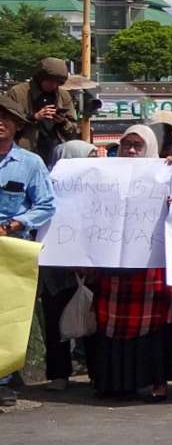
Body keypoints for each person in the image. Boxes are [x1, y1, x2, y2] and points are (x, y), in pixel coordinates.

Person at [91, 125, 172, 402]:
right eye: (126, 144)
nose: (130, 150)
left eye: (137, 145)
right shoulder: (106, 175)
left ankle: (156, 381)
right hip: (115, 265)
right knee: (112, 323)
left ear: (150, 148)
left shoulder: (167, 174)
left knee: (154, 325)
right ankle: (115, 382)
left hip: (151, 265)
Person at [0, 94, 57, 406]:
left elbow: (46, 205)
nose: (0, 123)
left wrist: (13, 224)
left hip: (12, 250)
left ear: (17, 126)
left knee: (7, 315)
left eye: (6, 118)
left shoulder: (30, 163)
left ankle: (4, 379)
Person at [38, 140, 97, 393]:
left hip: (89, 268)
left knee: (92, 322)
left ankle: (97, 372)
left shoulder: (98, 189)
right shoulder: (47, 188)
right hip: (56, 269)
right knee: (56, 322)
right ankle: (59, 374)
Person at [4, 57, 79, 167]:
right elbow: (7, 123)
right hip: (24, 151)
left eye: (57, 82)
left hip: (55, 151)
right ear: (40, 78)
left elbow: (73, 128)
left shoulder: (63, 96)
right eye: (50, 81)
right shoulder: (18, 92)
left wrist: (62, 122)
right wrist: (34, 117)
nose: (53, 85)